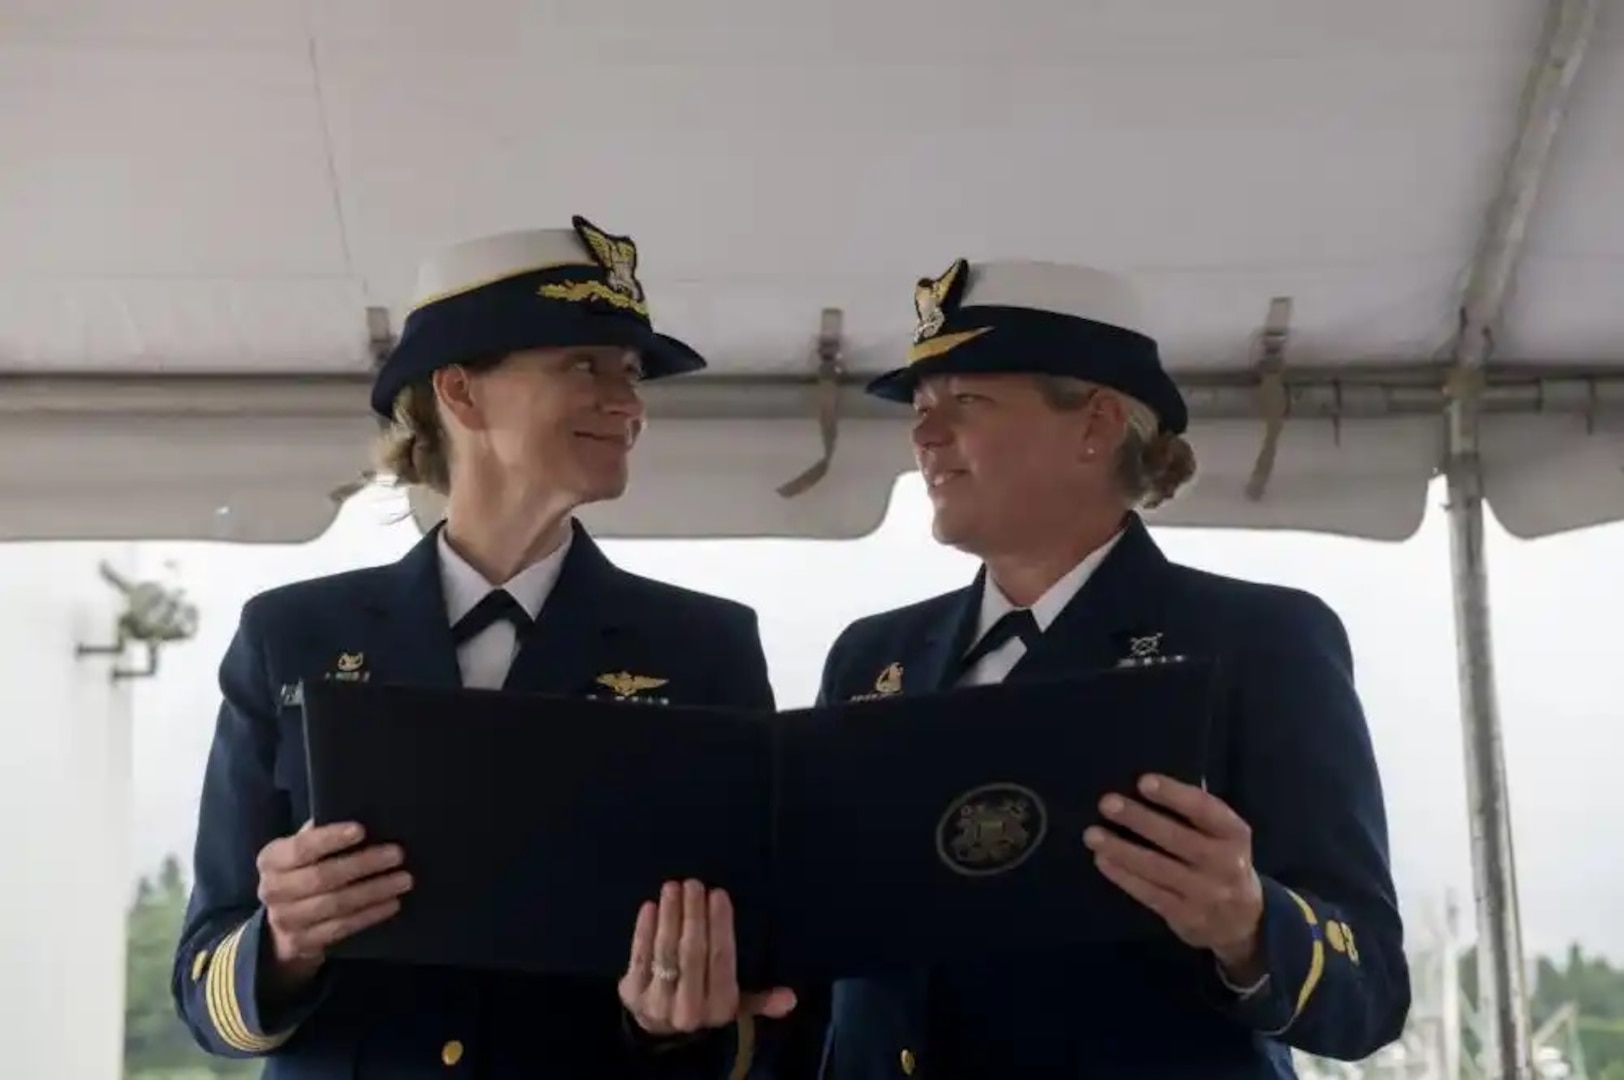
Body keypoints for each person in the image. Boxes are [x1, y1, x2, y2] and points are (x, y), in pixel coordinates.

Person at [749, 258, 1412, 1078]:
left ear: (1094, 424)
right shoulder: (871, 658)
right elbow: (815, 978)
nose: (923, 437)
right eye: (921, 411)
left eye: (965, 402)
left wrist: (1248, 924)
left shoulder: (1258, 641)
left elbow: (1372, 986)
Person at [170, 215, 785, 1079]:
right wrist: (285, 940)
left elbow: (749, 969)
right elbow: (205, 986)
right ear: (460, 393)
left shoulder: (706, 646)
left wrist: (672, 1023)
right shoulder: (292, 637)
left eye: (632, 373)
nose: (629, 401)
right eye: (586, 365)